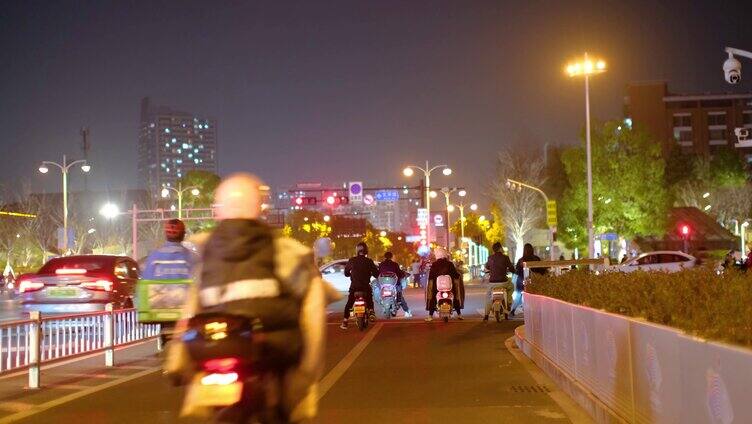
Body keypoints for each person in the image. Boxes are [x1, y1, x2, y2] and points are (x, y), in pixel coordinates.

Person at [167, 173, 330, 422]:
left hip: (210, 348)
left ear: (218, 211)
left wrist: (178, 359)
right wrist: (308, 372)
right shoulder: (284, 250)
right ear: (259, 208)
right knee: (289, 405)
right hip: (271, 350)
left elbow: (191, 307)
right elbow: (312, 309)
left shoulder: (205, 250)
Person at [341, 242, 379, 329]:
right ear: (366, 251)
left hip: (354, 287)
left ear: (357, 250)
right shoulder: (369, 261)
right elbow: (376, 274)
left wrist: (351, 274)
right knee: (369, 299)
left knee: (349, 303)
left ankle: (345, 321)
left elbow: (346, 273)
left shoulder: (352, 260)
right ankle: (371, 312)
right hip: (365, 286)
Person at [425, 247, 464, 321]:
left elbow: (431, 277)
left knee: (433, 297)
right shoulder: (450, 264)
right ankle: (459, 314)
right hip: (450, 287)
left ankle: (430, 316)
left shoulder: (434, 264)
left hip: (437, 288)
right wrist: (459, 275)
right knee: (455, 297)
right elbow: (455, 274)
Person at [483, 242, 515, 321]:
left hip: (492, 283)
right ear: (500, 248)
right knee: (511, 286)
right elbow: (511, 268)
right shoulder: (505, 257)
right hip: (503, 282)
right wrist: (514, 271)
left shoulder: (490, 258)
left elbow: (487, 266)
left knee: (488, 296)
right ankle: (508, 302)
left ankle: (486, 315)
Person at [512, 243, 545, 317]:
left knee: (518, 295)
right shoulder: (536, 259)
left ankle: (513, 310)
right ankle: (537, 311)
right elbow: (542, 270)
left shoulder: (521, 260)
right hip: (534, 281)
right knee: (536, 295)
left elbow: (517, 270)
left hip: (521, 280)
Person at [378, 251, 412, 318]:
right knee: (400, 296)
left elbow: (378, 273)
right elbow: (399, 273)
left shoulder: (381, 264)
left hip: (383, 284)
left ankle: (384, 307)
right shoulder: (395, 264)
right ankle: (407, 311)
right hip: (394, 284)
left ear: (385, 257)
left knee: (379, 294)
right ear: (391, 257)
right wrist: (403, 275)